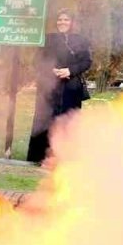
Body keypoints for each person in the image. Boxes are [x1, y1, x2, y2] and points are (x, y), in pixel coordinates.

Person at [28, 9, 91, 165]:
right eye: (60, 20)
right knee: (45, 119)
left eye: (66, 20)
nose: (62, 23)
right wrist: (50, 70)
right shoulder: (48, 39)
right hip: (48, 87)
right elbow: (37, 60)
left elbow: (86, 62)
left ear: (72, 22)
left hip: (70, 88)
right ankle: (40, 157)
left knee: (67, 120)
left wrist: (70, 70)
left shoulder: (81, 40)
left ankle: (64, 158)